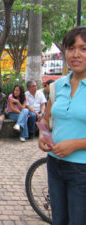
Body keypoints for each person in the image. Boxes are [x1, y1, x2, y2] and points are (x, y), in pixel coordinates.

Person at [38, 27, 86, 225]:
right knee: (59, 220)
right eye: (71, 48)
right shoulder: (57, 86)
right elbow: (46, 119)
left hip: (83, 170)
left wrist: (75, 145)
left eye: (84, 49)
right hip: (55, 165)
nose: (76, 54)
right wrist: (43, 135)